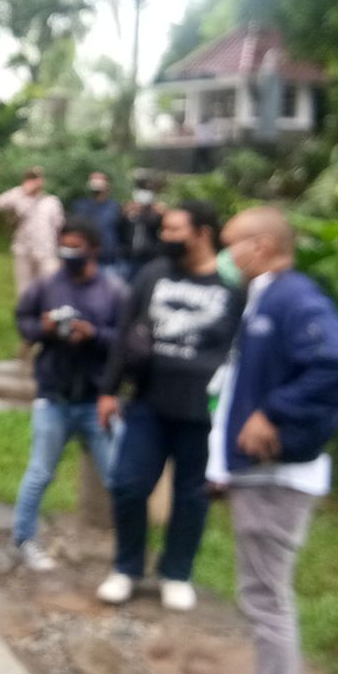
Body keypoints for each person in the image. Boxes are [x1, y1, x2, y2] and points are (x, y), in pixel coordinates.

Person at [208, 207, 338, 674]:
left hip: (275, 478)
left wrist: (274, 411)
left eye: (230, 243)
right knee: (262, 593)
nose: (224, 255)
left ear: (260, 247)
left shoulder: (292, 297)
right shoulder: (263, 297)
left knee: (265, 598)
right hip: (256, 473)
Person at [95, 200, 245, 610]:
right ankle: (127, 567)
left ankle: (176, 572)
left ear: (202, 233)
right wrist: (109, 390)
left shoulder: (233, 286)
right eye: (164, 230)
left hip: (204, 412)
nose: (165, 238)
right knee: (127, 485)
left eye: (175, 230)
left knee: (191, 496)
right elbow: (126, 333)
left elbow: (243, 349)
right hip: (148, 403)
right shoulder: (153, 274)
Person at [11, 217, 125, 571]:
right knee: (40, 472)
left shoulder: (114, 291)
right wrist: (43, 329)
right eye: (64, 244)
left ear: (94, 249)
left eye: (76, 245)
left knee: (118, 477)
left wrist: (93, 334)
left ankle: (129, 550)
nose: (68, 252)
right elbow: (23, 320)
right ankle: (24, 539)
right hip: (54, 396)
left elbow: (126, 341)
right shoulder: (46, 285)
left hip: (96, 399)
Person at [0, 167, 65, 297]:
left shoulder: (51, 202)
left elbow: (60, 227)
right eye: (31, 178)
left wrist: (61, 251)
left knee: (50, 286)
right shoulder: (17, 196)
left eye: (36, 179)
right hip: (23, 251)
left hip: (46, 251)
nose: (34, 182)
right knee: (24, 288)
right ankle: (26, 313)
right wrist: (22, 191)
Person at [118, 175, 163, 283]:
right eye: (141, 189)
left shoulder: (155, 213)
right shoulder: (129, 211)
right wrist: (124, 214)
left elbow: (157, 227)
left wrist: (156, 212)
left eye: (147, 190)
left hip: (148, 259)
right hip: (128, 258)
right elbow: (118, 229)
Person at [72, 172, 121, 269]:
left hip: (108, 261)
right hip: (84, 259)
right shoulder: (80, 206)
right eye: (94, 179)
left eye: (100, 180)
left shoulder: (114, 207)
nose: (96, 183)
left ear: (107, 185)